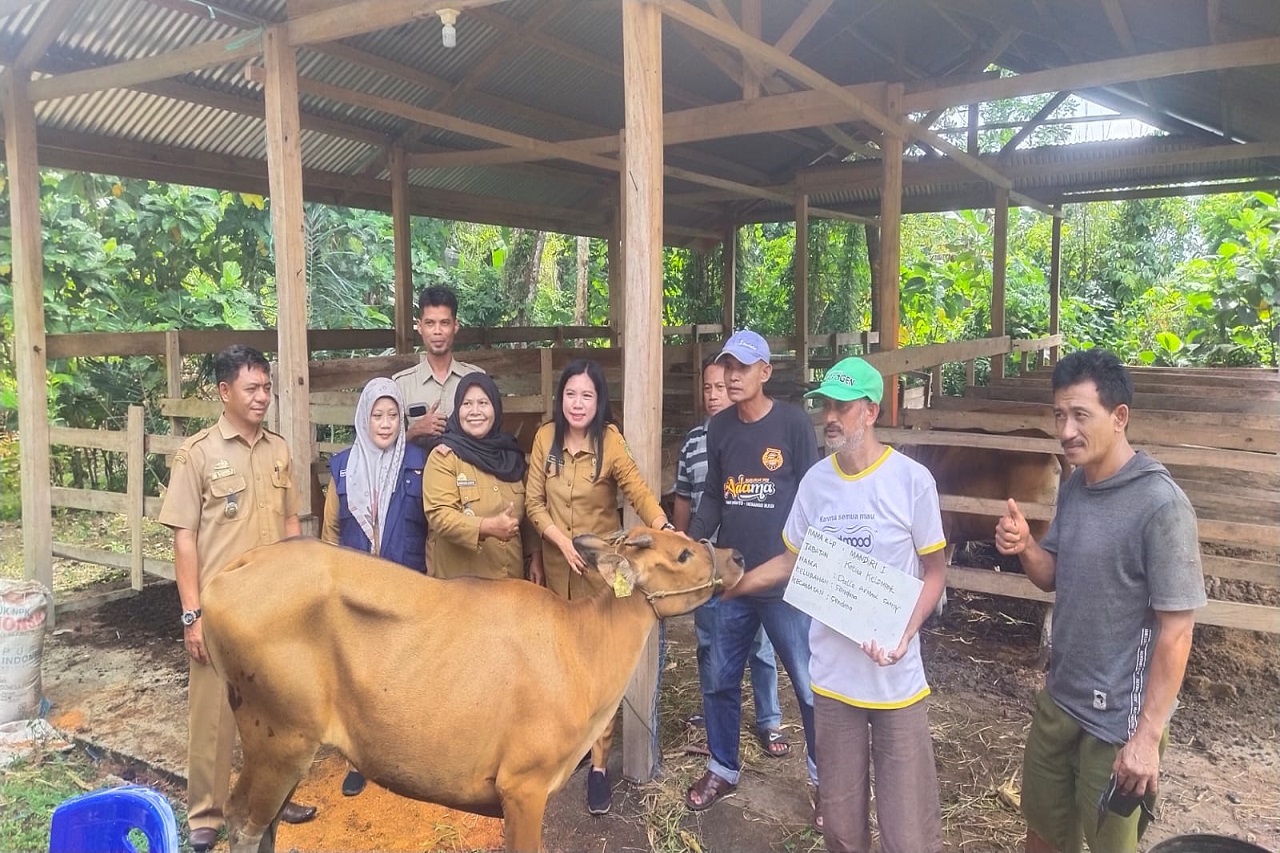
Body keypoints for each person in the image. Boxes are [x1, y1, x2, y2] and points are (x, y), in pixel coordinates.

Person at [726, 357, 949, 853]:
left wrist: (905, 632)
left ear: (871, 412)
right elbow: (791, 560)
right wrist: (733, 586)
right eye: (825, 406)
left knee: (908, 832)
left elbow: (934, 572)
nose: (830, 417)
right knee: (842, 830)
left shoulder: (911, 482)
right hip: (832, 681)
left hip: (894, 681)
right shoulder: (815, 482)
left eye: (842, 407)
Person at [995, 349, 1205, 853]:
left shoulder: (1161, 505)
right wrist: (1025, 547)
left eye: (1080, 415)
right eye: (1059, 415)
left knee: (1110, 846)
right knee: (1042, 833)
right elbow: (1053, 577)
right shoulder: (1075, 488)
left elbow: (1178, 630)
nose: (1066, 430)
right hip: (1060, 700)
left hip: (1118, 723)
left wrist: (1147, 738)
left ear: (1119, 416)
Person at [158, 345, 317, 853]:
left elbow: (291, 523)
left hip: (273, 609)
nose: (262, 397)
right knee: (213, 717)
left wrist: (298, 592)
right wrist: (192, 614)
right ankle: (205, 815)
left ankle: (272, 799)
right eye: (252, 388)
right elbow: (184, 537)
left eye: (266, 387)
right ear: (224, 391)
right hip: (221, 611)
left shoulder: (279, 450)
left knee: (276, 712)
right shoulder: (198, 454)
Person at [525, 358, 672, 817]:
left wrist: (664, 527)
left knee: (605, 662)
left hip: (608, 570)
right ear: (561, 397)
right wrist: (558, 542)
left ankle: (600, 766)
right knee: (563, 659)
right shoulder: (545, 438)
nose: (577, 403)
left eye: (586, 395)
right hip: (558, 565)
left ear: (598, 400)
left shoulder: (610, 440)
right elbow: (533, 503)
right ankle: (570, 745)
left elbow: (638, 491)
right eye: (571, 394)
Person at [685, 329, 821, 813]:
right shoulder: (720, 428)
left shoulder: (793, 424)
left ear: (766, 372)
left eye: (742, 367)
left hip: (785, 581)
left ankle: (823, 781)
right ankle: (723, 767)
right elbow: (715, 496)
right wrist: (692, 544)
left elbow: (814, 495)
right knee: (720, 678)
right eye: (727, 366)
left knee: (809, 686)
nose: (731, 376)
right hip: (733, 579)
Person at [674, 356, 787, 757]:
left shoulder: (758, 434)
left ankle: (769, 719)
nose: (713, 394)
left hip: (750, 561)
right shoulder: (694, 442)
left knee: (760, 645)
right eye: (707, 387)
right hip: (708, 563)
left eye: (720, 387)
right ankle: (716, 721)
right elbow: (686, 498)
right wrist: (684, 548)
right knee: (710, 642)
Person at [321, 377, 428, 796]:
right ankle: (358, 759)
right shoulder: (343, 467)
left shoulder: (419, 462)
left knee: (405, 670)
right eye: (377, 415)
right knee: (358, 676)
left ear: (402, 420)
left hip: (408, 585)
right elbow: (331, 532)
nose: (385, 423)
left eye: (392, 415)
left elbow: (434, 529)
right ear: (363, 418)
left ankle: (406, 753)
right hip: (356, 591)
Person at [425, 373, 542, 583]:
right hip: (463, 588)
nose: (475, 411)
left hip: (510, 584)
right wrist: (487, 527)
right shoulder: (444, 457)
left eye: (483, 403)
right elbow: (440, 516)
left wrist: (535, 555)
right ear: (457, 409)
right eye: (467, 403)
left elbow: (526, 514)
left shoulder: (511, 456)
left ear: (495, 408)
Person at [392, 284, 482, 448]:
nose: (437, 331)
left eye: (445, 323)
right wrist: (415, 431)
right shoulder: (401, 384)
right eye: (430, 323)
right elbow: (388, 447)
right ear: (420, 327)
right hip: (420, 464)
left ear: (455, 326)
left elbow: (490, 437)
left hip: (467, 464)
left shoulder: (476, 378)